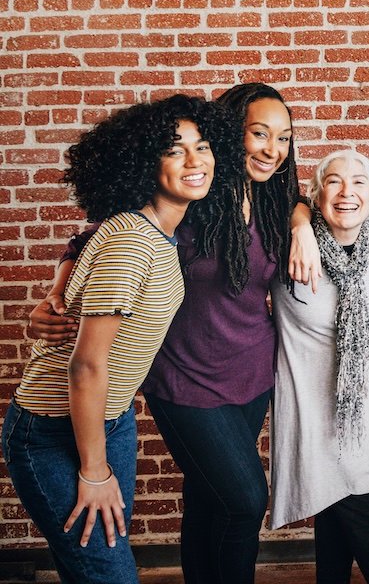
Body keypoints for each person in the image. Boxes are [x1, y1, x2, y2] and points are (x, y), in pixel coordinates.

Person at [29, 82, 302, 584]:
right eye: (259, 134)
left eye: (283, 138)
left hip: (250, 373)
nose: (272, 149)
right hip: (185, 377)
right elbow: (97, 236)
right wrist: (58, 288)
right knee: (244, 501)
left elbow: (309, 201)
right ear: (228, 135)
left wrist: (302, 222)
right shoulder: (190, 194)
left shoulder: (276, 202)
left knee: (208, 498)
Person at [3, 95, 238, 583]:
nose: (196, 161)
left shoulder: (159, 232)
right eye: (176, 150)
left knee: (95, 569)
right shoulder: (133, 241)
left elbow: (87, 246)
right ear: (143, 162)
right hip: (55, 433)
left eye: (204, 146)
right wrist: (94, 471)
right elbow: (86, 365)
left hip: (109, 422)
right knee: (108, 575)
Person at [270, 149, 369, 584]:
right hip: (310, 396)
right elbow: (277, 198)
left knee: (342, 502)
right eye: (334, 181)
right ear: (316, 193)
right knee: (355, 503)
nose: (347, 192)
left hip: (367, 397)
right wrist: (299, 223)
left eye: (359, 182)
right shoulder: (288, 242)